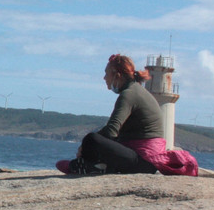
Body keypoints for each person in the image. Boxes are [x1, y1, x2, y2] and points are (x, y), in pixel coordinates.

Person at [57, 54, 199, 176]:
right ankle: (96, 165)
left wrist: (84, 147)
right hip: (144, 160)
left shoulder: (129, 94)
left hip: (143, 161)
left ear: (117, 75)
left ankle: (88, 166)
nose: (104, 77)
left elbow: (111, 130)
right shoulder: (136, 90)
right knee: (101, 141)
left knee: (91, 139)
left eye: (107, 73)